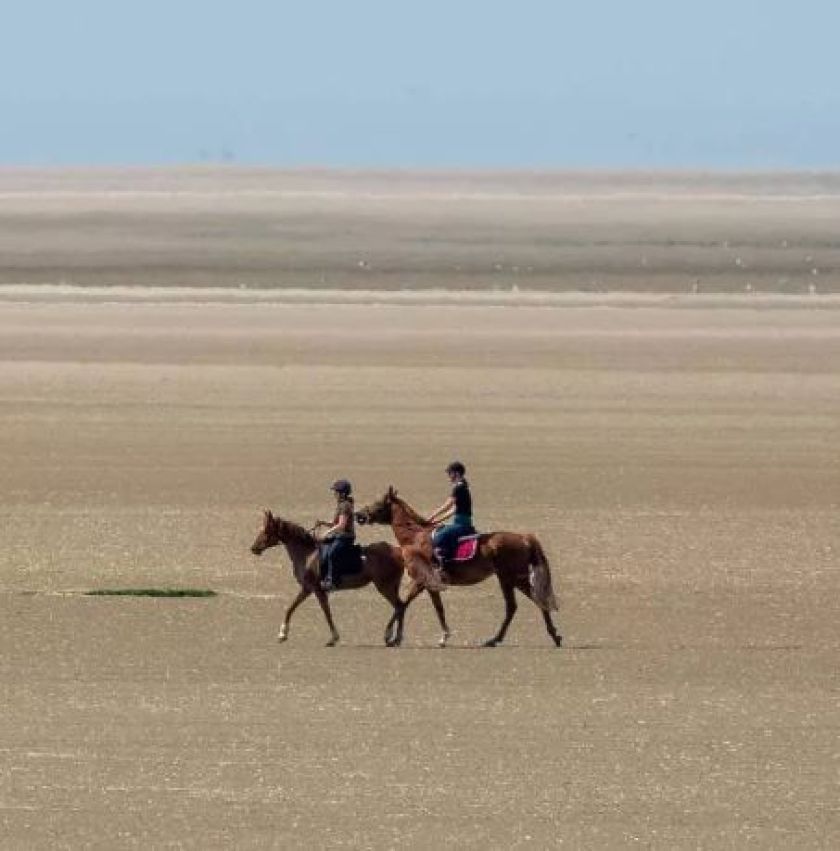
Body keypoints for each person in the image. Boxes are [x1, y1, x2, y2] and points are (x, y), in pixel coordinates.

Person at [426, 461, 476, 566]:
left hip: (461, 525)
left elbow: (447, 505)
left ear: (456, 473)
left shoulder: (459, 488)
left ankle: (443, 565)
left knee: (439, 538)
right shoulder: (462, 487)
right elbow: (453, 510)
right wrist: (436, 520)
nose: (449, 476)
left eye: (450, 473)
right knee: (439, 530)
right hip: (460, 522)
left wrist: (432, 516)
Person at [316, 479, 356, 591]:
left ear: (342, 493)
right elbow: (335, 523)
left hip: (345, 537)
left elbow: (342, 525)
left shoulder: (345, 506)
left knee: (332, 553)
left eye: (336, 492)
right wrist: (323, 522)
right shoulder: (342, 504)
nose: (334, 494)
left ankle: (332, 581)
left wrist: (327, 532)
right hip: (339, 535)